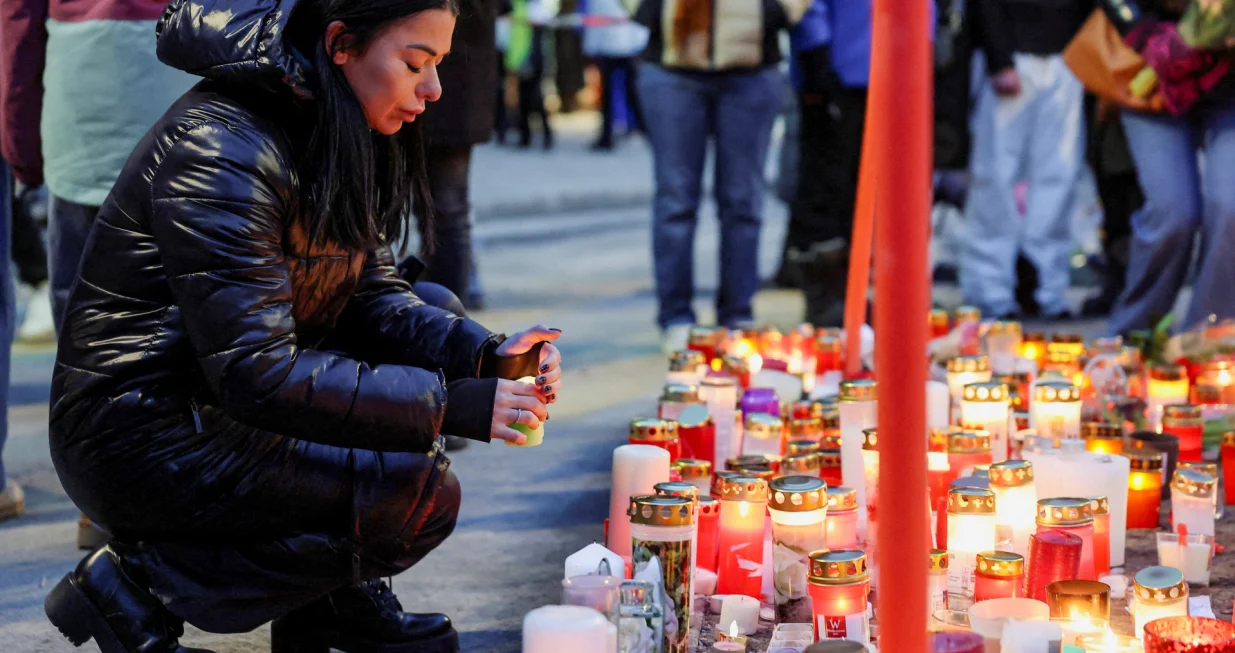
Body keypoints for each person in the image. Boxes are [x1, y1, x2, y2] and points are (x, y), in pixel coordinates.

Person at [40, 1, 563, 651]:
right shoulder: (224, 147)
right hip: (139, 431)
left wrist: (487, 356)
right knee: (415, 489)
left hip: (216, 403)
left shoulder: (332, 119)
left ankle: (329, 606)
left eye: (438, 66)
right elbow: (255, 371)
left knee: (436, 305)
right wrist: (450, 404)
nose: (432, 91)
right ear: (340, 44)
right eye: (415, 64)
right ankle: (134, 585)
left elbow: (373, 297)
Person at [0, 0, 197, 549]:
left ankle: (100, 501)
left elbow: (18, 23)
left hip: (80, 105)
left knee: (84, 326)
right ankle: (177, 484)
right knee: (187, 309)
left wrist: (19, 140)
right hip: (182, 98)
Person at [634, 0, 811, 351]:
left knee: (742, 202)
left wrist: (776, 10)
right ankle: (676, 318)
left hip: (752, 67)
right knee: (676, 201)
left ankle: (737, 316)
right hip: (673, 64)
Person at [1105, 0, 1235, 333]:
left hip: (1229, 84)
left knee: (1231, 204)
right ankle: (1132, 335)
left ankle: (1208, 340)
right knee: (1172, 211)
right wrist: (1173, 43)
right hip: (1151, 70)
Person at [961, 0, 1093, 320]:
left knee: (1059, 175)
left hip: (1067, 56)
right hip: (1012, 54)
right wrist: (999, 58)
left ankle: (1048, 290)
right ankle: (989, 291)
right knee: (994, 177)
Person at [583, 0, 648, 150]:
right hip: (613, 47)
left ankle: (639, 129)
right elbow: (594, 18)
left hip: (625, 46)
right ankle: (609, 134)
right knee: (613, 93)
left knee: (630, 91)